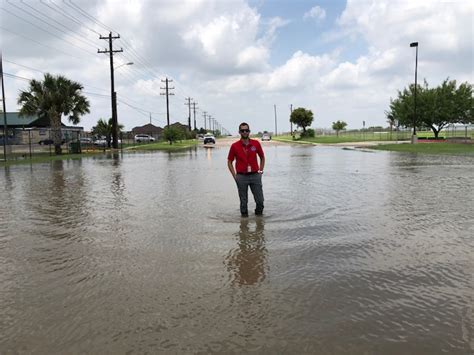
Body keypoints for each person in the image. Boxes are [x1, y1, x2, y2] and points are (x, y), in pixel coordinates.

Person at [227, 122, 265, 217]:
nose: (244, 132)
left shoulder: (256, 144)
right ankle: (244, 226)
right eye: (242, 130)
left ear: (249, 132)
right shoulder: (234, 146)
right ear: (239, 132)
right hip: (241, 177)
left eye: (246, 130)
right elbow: (229, 162)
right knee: (243, 203)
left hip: (255, 175)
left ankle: (259, 222)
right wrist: (235, 176)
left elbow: (262, 157)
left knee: (260, 201)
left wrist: (260, 171)